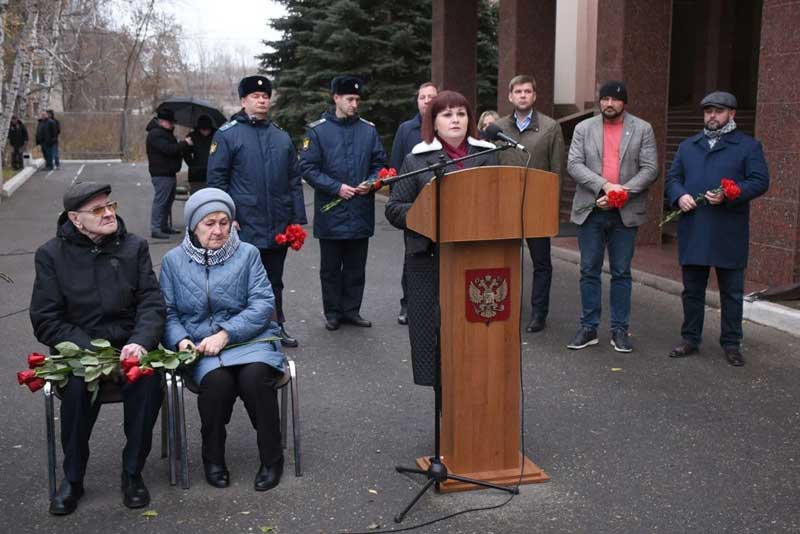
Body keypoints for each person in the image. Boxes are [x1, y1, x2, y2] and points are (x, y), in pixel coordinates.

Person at [29, 182, 165, 515]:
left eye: (110, 206)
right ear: (76, 220)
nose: (108, 214)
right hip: (81, 351)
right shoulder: (51, 255)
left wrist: (139, 342)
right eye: (97, 210)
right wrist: (93, 352)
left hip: (129, 346)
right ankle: (73, 478)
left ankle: (132, 473)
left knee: (147, 382)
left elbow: (152, 303)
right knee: (76, 388)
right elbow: (46, 320)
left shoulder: (134, 247)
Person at [159, 188, 287, 491]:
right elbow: (167, 312)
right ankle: (213, 458)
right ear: (193, 225)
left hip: (250, 341)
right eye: (209, 223)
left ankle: (272, 459)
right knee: (217, 384)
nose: (218, 230)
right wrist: (180, 341)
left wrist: (226, 333)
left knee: (255, 379)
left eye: (224, 222)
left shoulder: (248, 255)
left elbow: (263, 304)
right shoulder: (173, 262)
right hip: (202, 347)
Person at [385, 90, 497, 386]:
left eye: (461, 113)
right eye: (446, 114)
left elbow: (503, 202)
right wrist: (432, 208)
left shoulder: (489, 154)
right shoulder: (417, 160)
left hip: (481, 260)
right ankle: (445, 410)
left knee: (477, 338)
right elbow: (394, 210)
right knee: (437, 342)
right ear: (433, 123)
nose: (455, 119)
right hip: (431, 261)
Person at [664, 91, 769, 367]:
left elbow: (760, 181)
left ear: (732, 114)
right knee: (692, 290)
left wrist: (731, 193)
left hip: (728, 230)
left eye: (718, 111)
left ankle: (732, 343)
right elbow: (673, 178)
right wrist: (679, 195)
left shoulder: (748, 146)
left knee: (731, 292)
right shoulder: (689, 146)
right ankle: (690, 339)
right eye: (708, 110)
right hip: (695, 227)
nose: (712, 116)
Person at [207, 75, 307, 348]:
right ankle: (240, 331)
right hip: (244, 224)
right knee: (241, 280)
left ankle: (276, 326)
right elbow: (217, 181)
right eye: (255, 96)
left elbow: (293, 180)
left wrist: (296, 220)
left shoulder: (280, 136)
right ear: (243, 101)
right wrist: (226, 219)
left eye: (265, 96)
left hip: (278, 223)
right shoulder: (227, 135)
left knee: (275, 280)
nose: (262, 100)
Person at [566, 81, 658, 353]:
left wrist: (620, 193)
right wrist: (605, 187)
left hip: (625, 213)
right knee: (588, 270)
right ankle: (589, 327)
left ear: (624, 103)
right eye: (604, 99)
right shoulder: (584, 128)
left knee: (621, 272)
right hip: (591, 209)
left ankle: (620, 329)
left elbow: (650, 169)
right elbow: (574, 164)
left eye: (615, 100)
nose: (609, 104)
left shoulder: (643, 129)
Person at [299, 75, 387, 331]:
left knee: (356, 267)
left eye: (357, 99)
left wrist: (372, 182)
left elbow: (379, 164)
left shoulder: (368, 131)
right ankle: (333, 312)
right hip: (331, 211)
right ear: (336, 98)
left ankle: (352, 310)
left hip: (360, 209)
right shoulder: (318, 131)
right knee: (330, 268)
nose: (354, 104)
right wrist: (336, 187)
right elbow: (308, 167)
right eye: (350, 99)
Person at [495, 75, 565, 333]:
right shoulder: (498, 128)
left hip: (538, 205)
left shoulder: (551, 127)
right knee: (505, 260)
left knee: (541, 263)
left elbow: (558, 170)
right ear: (510, 97)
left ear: (534, 96)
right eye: (518, 92)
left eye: (527, 91)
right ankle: (505, 307)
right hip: (506, 205)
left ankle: (538, 313)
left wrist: (552, 209)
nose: (523, 95)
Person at [389, 81, 438, 325]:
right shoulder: (406, 129)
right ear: (417, 101)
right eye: (423, 97)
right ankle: (408, 304)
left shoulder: (444, 128)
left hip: (441, 206)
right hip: (413, 206)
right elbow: (397, 166)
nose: (427, 100)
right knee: (414, 257)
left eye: (432, 96)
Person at [146, 107, 191, 239]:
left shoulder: (164, 133)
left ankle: (164, 226)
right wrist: (185, 143)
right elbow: (169, 149)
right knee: (161, 201)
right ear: (162, 121)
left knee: (167, 201)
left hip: (168, 172)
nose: (172, 124)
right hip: (161, 173)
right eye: (170, 122)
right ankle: (156, 228)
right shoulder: (156, 134)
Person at [183, 114, 215, 194]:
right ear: (199, 128)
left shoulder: (217, 136)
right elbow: (185, 153)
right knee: (196, 196)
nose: (205, 132)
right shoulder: (192, 136)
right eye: (203, 130)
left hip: (212, 172)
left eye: (207, 130)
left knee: (211, 197)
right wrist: (192, 165)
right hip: (196, 174)